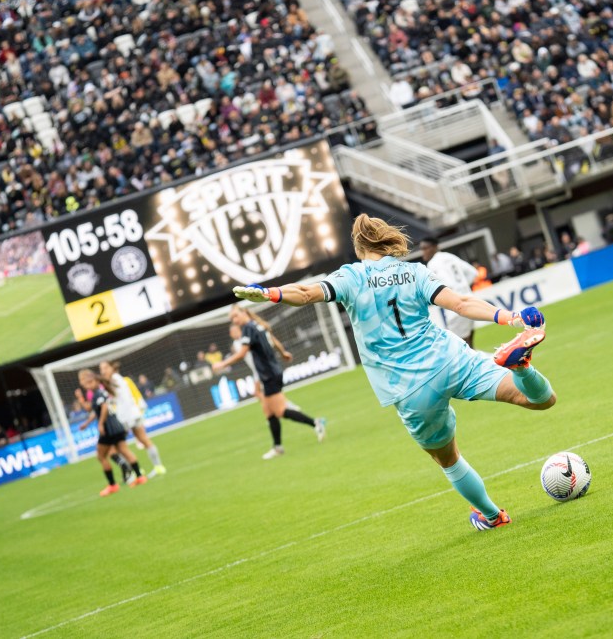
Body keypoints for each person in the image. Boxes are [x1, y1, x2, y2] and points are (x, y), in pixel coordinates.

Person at [232, 214, 556, 532]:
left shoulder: (351, 277)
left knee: (448, 459)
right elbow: (459, 303)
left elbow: (305, 294)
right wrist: (509, 317)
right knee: (541, 400)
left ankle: (492, 515)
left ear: (359, 246)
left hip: (411, 388)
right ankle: (520, 367)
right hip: (450, 359)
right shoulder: (413, 271)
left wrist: (271, 293)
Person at [212, 306, 326, 460]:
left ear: (244, 312)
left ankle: (316, 423)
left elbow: (242, 354)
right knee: (269, 412)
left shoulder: (248, 328)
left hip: (269, 375)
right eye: (232, 319)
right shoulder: (258, 325)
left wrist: (222, 364)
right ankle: (278, 447)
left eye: (236, 316)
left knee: (279, 411)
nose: (234, 320)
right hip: (271, 372)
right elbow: (273, 340)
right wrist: (283, 352)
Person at [77, 369, 146, 496]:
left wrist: (100, 424)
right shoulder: (100, 392)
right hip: (117, 426)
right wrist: (87, 423)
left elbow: (103, 408)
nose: (84, 385)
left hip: (109, 428)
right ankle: (140, 477)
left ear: (92, 380)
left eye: (85, 382)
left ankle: (113, 485)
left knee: (101, 456)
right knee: (124, 450)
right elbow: (95, 411)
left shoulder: (98, 393)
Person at [99, 361, 167, 476]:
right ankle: (156, 467)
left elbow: (117, 396)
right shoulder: (115, 380)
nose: (103, 371)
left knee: (120, 446)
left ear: (111, 368)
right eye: (101, 369)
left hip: (126, 417)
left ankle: (139, 470)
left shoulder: (115, 379)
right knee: (140, 440)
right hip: (131, 414)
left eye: (105, 367)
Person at [419, 237, 479, 347]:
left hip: (455, 308)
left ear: (434, 247)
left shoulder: (433, 263)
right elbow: (473, 273)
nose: (423, 252)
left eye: (425, 248)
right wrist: (463, 287)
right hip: (470, 300)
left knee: (459, 347)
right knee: (469, 344)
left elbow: (447, 284)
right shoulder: (449, 256)